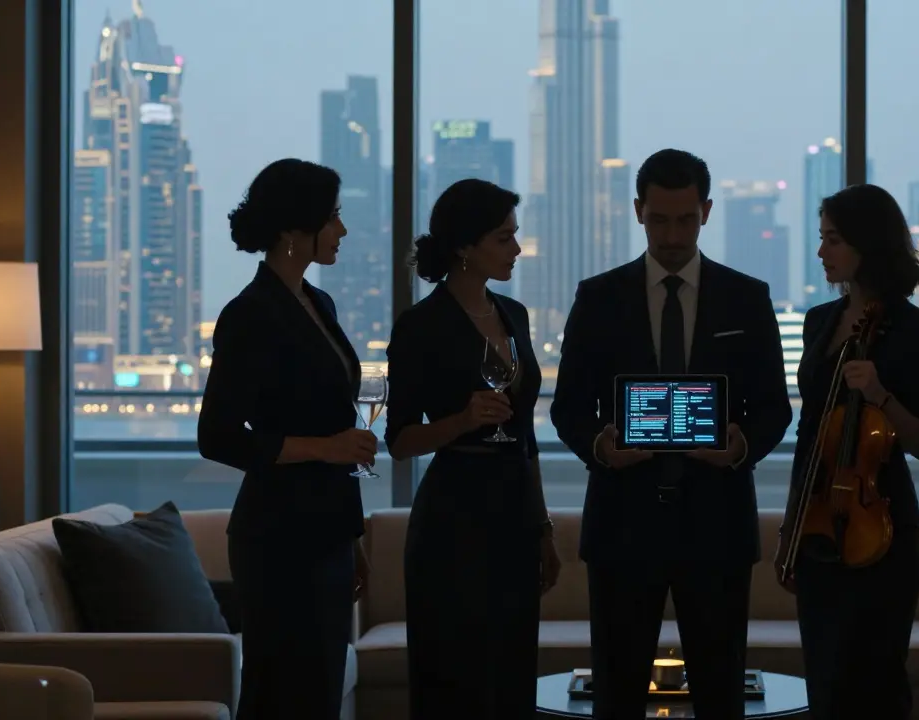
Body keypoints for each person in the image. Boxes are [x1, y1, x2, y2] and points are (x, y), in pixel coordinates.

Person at [550, 148, 793, 720]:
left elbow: (775, 409)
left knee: (721, 690)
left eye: (685, 219)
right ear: (638, 211)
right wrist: (600, 446)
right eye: (659, 219)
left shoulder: (748, 297)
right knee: (616, 691)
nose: (672, 234)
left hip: (717, 522)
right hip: (623, 522)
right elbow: (567, 408)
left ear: (707, 211)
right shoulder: (598, 296)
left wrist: (740, 448)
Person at [197, 158, 377, 720]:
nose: (342, 231)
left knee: (318, 690)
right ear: (294, 229)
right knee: (286, 693)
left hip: (324, 528)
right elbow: (217, 437)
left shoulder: (317, 303)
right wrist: (325, 447)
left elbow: (334, 423)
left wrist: (352, 537)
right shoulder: (250, 314)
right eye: (334, 218)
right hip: (277, 537)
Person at [384, 178, 561, 719]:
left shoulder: (515, 315)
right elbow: (399, 441)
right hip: (453, 520)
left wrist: (543, 527)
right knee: (454, 680)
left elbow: (525, 437)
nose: (517, 249)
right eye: (504, 238)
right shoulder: (420, 326)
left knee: (511, 676)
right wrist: (461, 420)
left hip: (513, 514)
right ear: (465, 246)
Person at [772, 184, 919, 719]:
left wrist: (879, 396)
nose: (822, 251)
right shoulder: (819, 322)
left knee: (878, 683)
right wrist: (793, 527)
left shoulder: (916, 330)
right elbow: (810, 433)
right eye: (822, 239)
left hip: (884, 530)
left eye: (833, 240)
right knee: (824, 681)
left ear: (867, 245)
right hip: (820, 526)